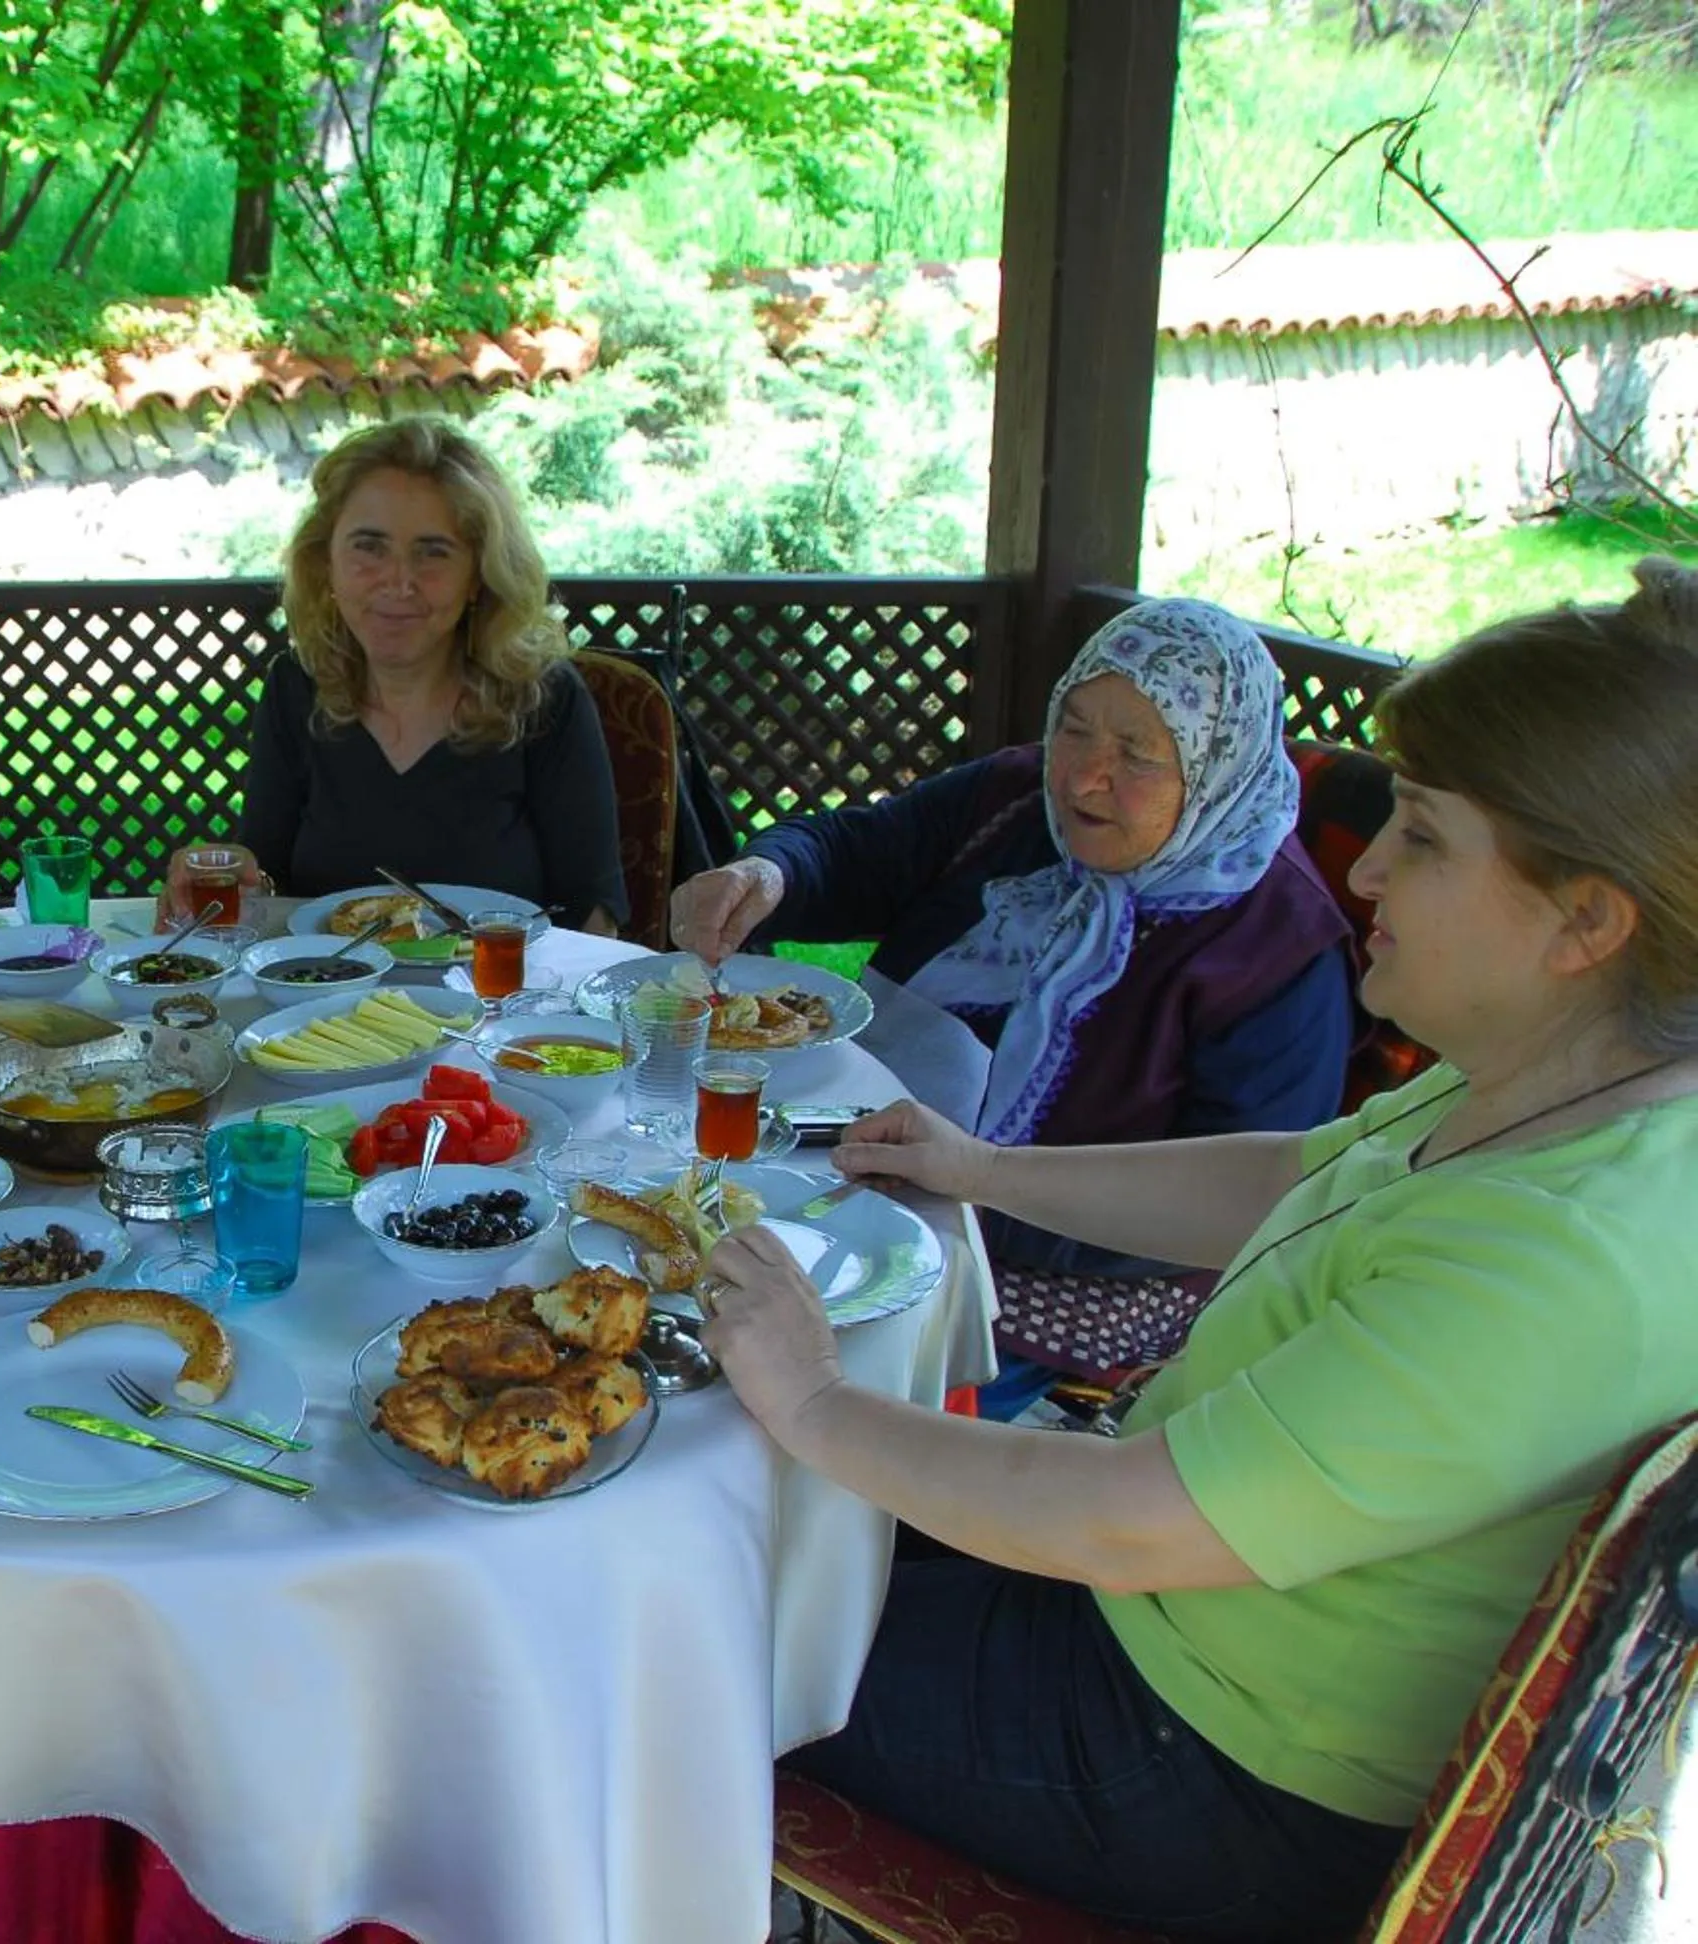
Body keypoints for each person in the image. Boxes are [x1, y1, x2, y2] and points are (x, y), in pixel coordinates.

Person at [695, 560, 1698, 1940]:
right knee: (759, 1519)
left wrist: (814, 1397)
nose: (1369, 869)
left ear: (1588, 920)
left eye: (1421, 835)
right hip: (1166, 1620)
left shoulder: (1568, 1256)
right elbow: (1295, 1174)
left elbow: (1130, 1517)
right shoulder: (1562, 1087)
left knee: (667, 1627)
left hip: (1200, 1758)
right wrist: (980, 1168)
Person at [670, 597, 1354, 1276]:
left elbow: (1235, 1209)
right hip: (866, 1159)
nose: (1084, 776)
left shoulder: (1280, 948)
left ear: (1216, 772)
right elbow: (857, 851)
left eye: (1137, 755)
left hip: (1070, 1270)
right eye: (1075, 729)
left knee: (773, 1338)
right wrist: (769, 874)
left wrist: (975, 1201)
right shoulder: (1016, 800)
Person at [222, 417, 627, 934]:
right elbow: (266, 885)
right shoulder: (296, 688)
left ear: (479, 575)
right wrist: (225, 882)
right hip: (325, 1007)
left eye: (433, 553)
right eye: (369, 546)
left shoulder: (543, 699)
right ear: (326, 563)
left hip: (502, 1007)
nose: (399, 581)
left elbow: (593, 918)